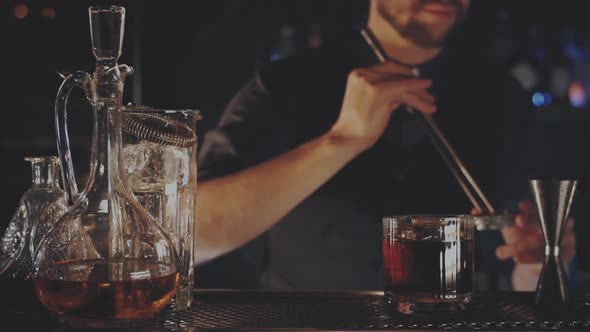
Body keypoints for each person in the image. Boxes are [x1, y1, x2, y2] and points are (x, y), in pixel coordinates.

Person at [195, 0, 576, 290]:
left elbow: (525, 277)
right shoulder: (286, 85)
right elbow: (195, 237)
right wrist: (342, 141)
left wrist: (537, 262)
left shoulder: (504, 98)